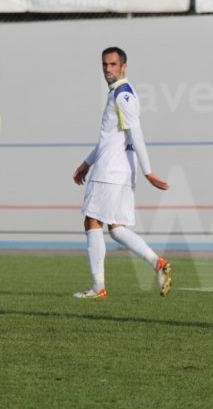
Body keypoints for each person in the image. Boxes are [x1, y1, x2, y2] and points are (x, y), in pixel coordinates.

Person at [72, 46, 172, 299]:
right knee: (116, 228)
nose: (108, 69)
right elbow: (110, 139)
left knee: (91, 221)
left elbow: (136, 134)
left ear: (124, 66)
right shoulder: (121, 93)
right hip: (123, 172)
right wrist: (86, 163)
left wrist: (149, 171)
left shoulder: (122, 95)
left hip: (110, 171)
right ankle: (157, 262)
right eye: (105, 64)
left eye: (113, 64)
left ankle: (98, 288)